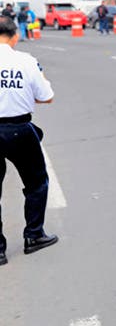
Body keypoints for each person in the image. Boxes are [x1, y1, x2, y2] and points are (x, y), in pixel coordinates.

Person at [0, 16, 58, 266]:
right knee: (37, 183)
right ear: (15, 36)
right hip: (19, 129)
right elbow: (46, 97)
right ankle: (34, 235)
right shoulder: (26, 61)